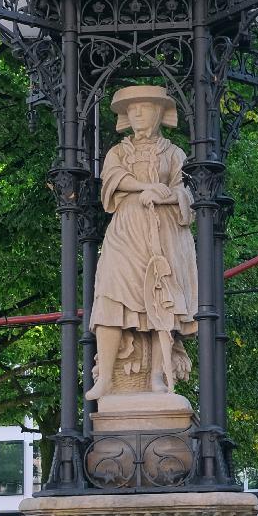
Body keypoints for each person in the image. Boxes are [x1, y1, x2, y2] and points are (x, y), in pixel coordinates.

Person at [86, 84, 197, 401]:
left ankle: (158, 380)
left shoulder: (175, 154)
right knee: (109, 298)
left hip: (163, 236)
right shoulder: (118, 152)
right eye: (130, 110)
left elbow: (187, 194)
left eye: (144, 108)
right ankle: (105, 377)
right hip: (125, 233)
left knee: (162, 304)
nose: (136, 114)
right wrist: (146, 186)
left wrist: (164, 196)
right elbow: (112, 180)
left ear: (160, 114)